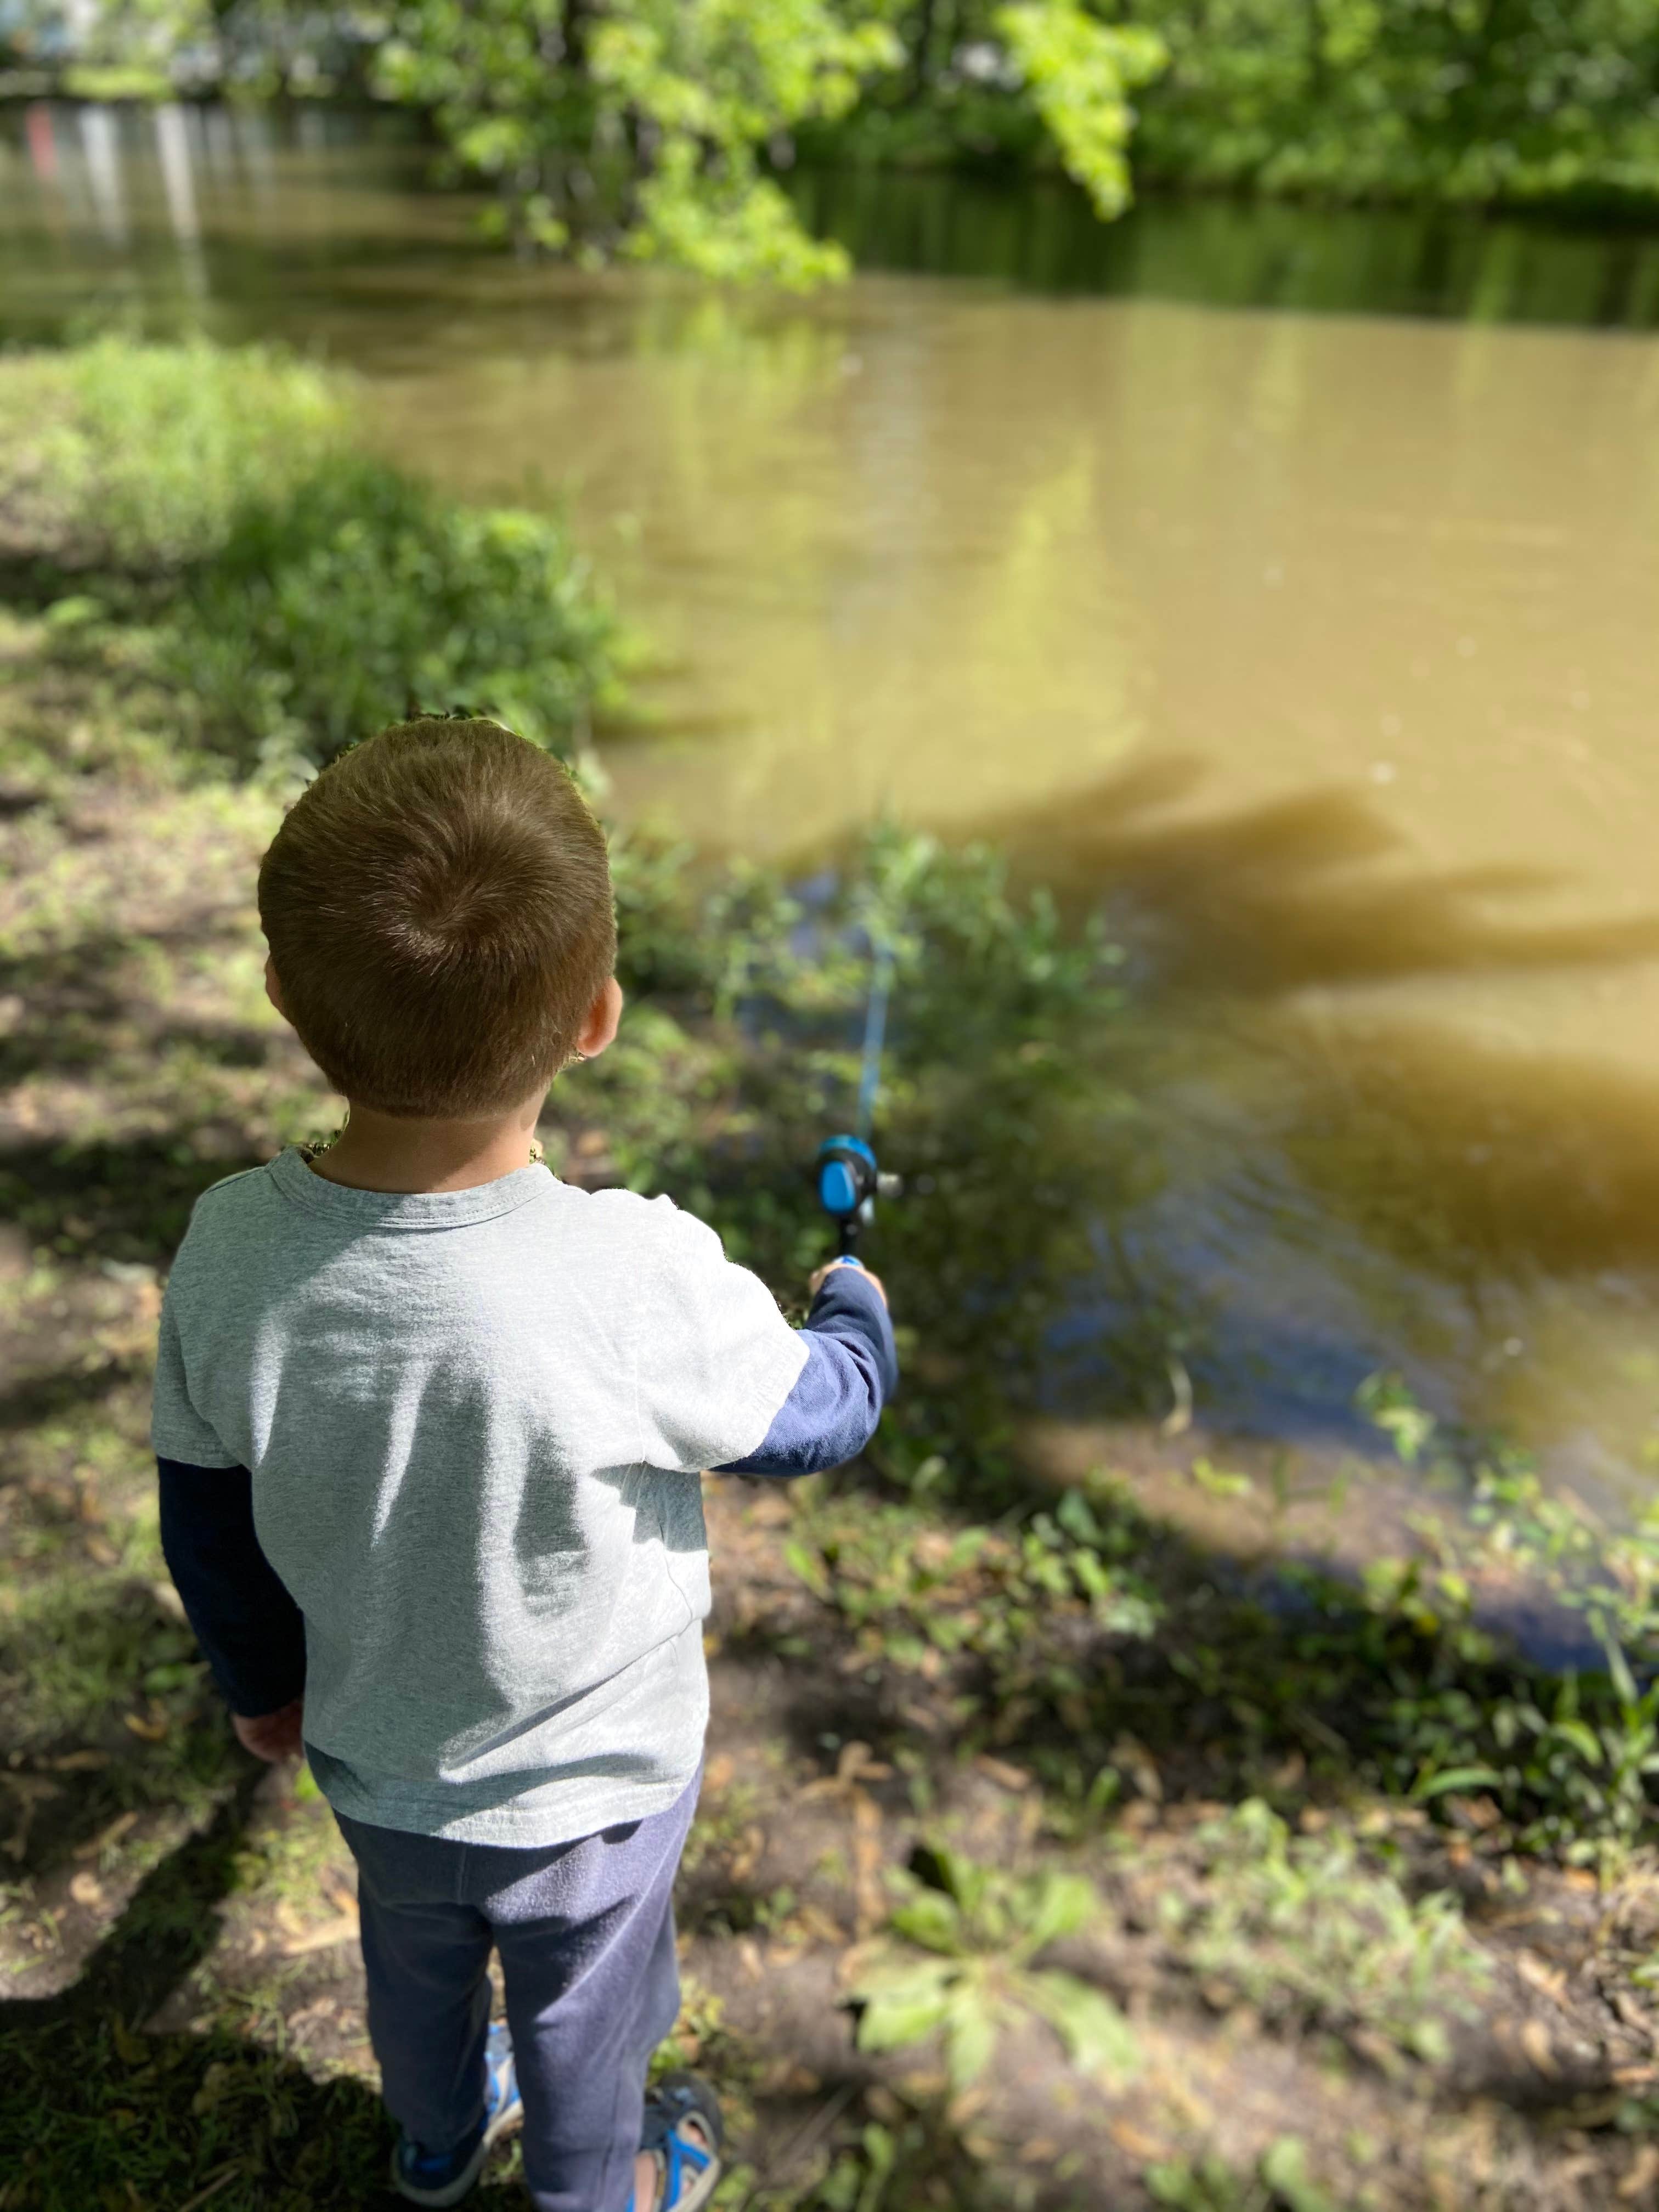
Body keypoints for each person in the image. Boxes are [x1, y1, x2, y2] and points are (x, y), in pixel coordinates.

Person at [151, 716, 898, 2212]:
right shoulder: (637, 1271)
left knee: (415, 1975)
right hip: (600, 1803)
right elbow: (821, 1416)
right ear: (598, 1016)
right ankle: (593, 2186)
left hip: (382, 1772)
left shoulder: (230, 1250)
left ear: (283, 994)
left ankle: (434, 2149)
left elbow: (205, 1519)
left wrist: (264, 1688)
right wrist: (857, 1311)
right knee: (587, 2032)